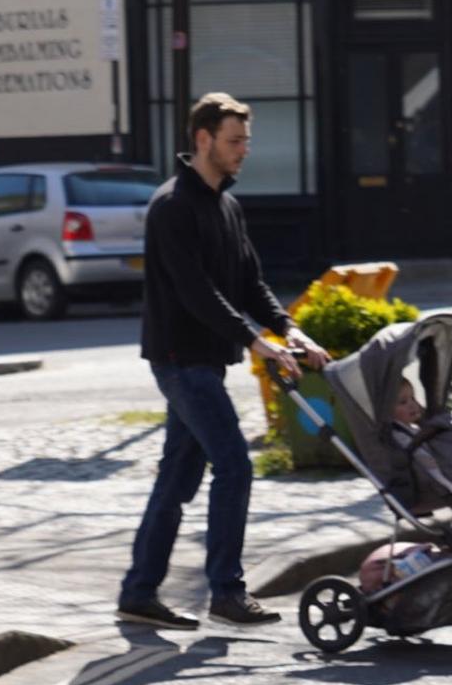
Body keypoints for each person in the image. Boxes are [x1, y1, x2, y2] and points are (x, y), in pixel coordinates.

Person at [117, 91, 327, 630]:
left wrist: (290, 330)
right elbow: (196, 293)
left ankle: (139, 591)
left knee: (177, 479)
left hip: (205, 361)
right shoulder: (172, 207)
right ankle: (227, 592)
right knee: (233, 462)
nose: (243, 151)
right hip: (178, 359)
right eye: (234, 142)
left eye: (247, 142)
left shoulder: (227, 206)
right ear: (203, 139)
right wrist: (257, 344)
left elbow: (249, 283)